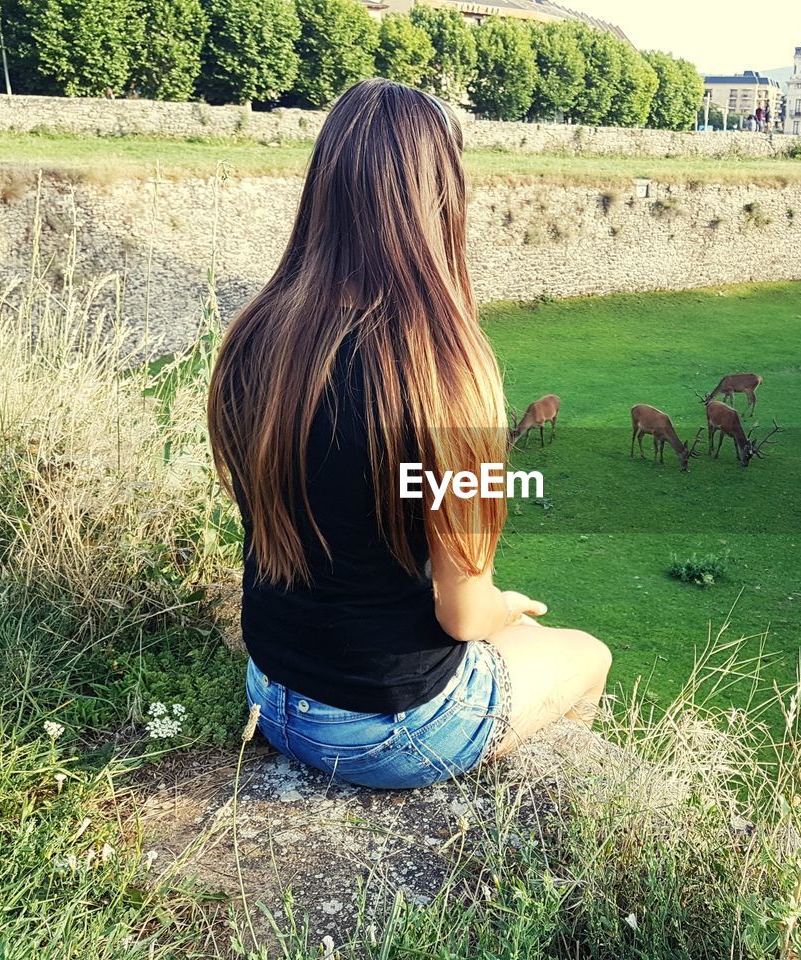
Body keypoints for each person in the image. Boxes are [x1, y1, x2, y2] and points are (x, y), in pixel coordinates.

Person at [206, 79, 612, 790]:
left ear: (324, 187)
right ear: (442, 197)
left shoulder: (257, 334)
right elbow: (463, 614)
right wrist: (504, 607)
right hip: (386, 728)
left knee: (517, 639)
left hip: (270, 693)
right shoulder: (450, 370)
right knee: (587, 655)